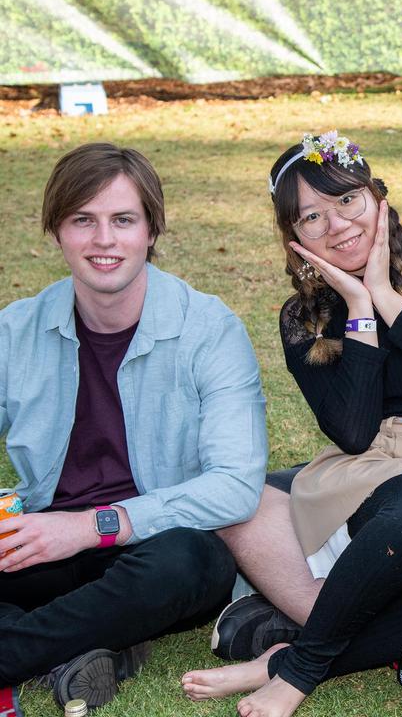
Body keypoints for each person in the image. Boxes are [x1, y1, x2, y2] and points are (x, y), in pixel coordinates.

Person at [179, 132, 402, 717]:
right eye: (312, 217)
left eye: (347, 200)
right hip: (377, 471)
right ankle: (301, 676)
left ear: (377, 197)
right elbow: (352, 431)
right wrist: (360, 315)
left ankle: (281, 664)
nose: (338, 224)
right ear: (294, 238)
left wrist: (384, 296)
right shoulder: (304, 317)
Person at [0, 143, 267, 715]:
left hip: (160, 545)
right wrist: (51, 529)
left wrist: (92, 526)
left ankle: (24, 648)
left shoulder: (209, 329)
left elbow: (236, 485)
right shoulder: (16, 330)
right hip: (47, 543)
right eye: (82, 221)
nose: (103, 240)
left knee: (191, 562)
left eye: (123, 220)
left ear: (151, 230)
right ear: (56, 233)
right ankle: (92, 646)